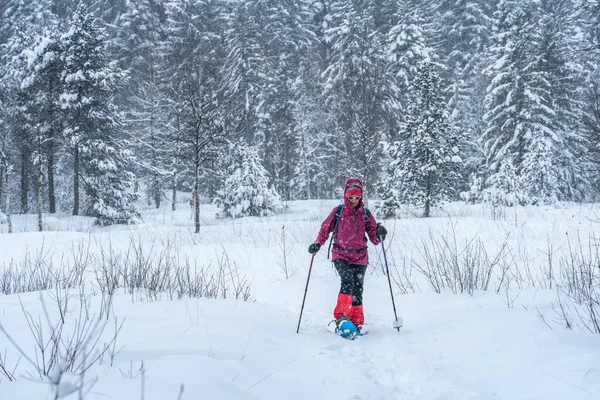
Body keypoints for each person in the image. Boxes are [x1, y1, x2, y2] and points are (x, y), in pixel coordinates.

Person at [308, 178, 387, 333]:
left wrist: (380, 233)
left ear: (361, 197)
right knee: (347, 281)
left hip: (360, 257)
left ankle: (356, 322)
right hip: (340, 254)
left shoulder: (365, 214)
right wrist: (317, 243)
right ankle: (341, 318)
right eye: (351, 197)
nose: (354, 200)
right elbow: (325, 229)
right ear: (346, 196)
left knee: (358, 288)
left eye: (357, 198)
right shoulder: (338, 211)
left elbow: (374, 239)